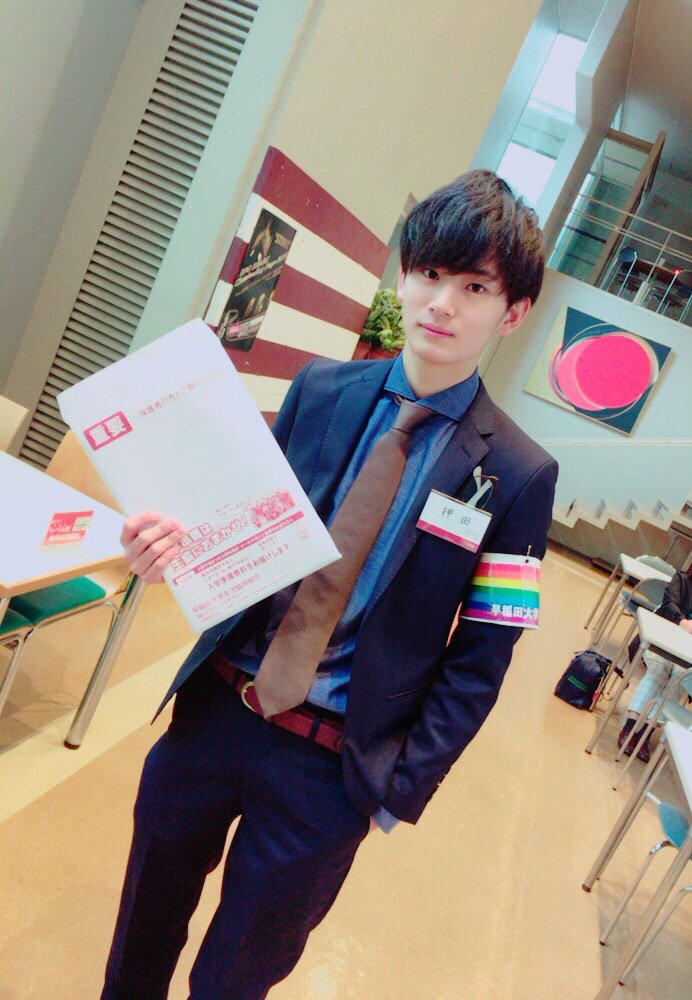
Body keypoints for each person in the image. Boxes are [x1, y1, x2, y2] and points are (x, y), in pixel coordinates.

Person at [101, 169, 558, 999]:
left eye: (474, 286)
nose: (441, 304)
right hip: (216, 712)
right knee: (140, 933)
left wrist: (393, 788)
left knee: (236, 978)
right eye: (428, 273)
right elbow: (234, 525)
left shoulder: (521, 474)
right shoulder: (320, 390)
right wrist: (167, 546)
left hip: (330, 769)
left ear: (513, 311)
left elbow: (481, 661)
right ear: (403, 275)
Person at [617, 567, 692, 762]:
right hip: (659, 643)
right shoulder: (682, 580)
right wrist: (682, 622)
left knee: (678, 680)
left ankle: (645, 734)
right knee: (659, 671)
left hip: (686, 656)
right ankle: (630, 727)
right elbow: (669, 604)